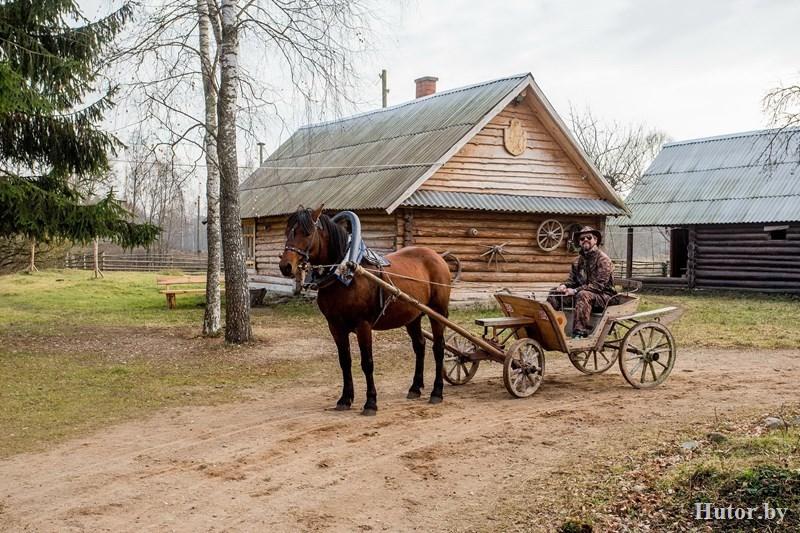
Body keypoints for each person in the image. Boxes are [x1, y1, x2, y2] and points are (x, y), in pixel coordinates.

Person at [547, 226, 616, 338]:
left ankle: (579, 333)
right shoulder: (578, 261)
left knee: (583, 294)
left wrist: (574, 290)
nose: (585, 240)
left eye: (589, 237)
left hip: (605, 297)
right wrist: (563, 286)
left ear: (595, 240)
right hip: (584, 294)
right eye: (582, 238)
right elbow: (571, 280)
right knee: (554, 293)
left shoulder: (603, 260)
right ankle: (553, 327)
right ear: (579, 242)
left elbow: (597, 286)